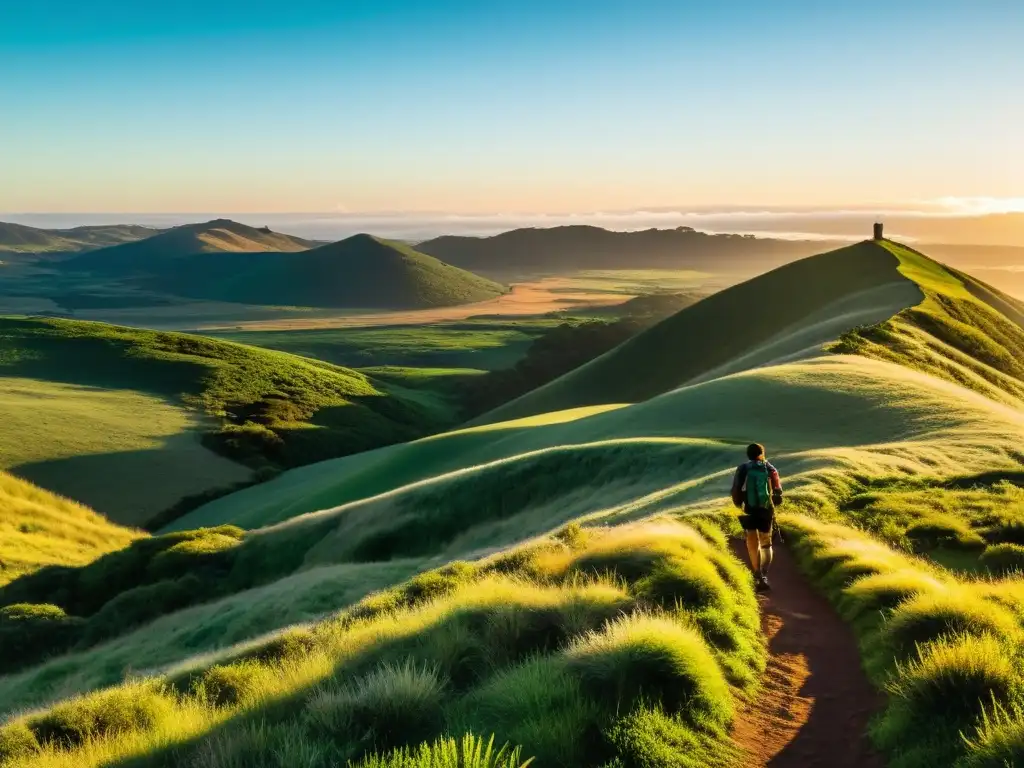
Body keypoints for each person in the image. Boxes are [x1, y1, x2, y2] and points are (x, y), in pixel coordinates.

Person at [731, 443, 783, 592]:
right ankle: (764, 574)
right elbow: (779, 493)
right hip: (766, 510)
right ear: (762, 453)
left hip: (749, 509)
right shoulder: (770, 468)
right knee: (766, 542)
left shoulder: (743, 468)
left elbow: (736, 489)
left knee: (752, 541)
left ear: (748, 455)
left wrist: (738, 503)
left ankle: (757, 574)